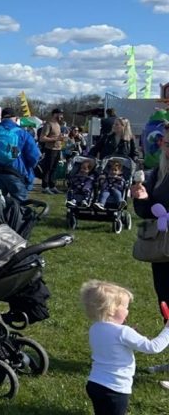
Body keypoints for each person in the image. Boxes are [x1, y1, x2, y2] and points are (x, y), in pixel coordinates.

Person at [81, 280, 169, 415]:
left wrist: (131, 334)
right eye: (126, 307)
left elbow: (113, 342)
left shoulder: (95, 328)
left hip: (95, 384)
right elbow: (153, 347)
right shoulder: (123, 332)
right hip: (115, 389)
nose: (128, 311)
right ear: (111, 310)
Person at [133, 134, 169, 315]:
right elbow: (147, 211)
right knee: (165, 298)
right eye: (168, 144)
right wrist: (142, 198)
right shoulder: (158, 173)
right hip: (163, 247)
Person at [38, 108, 68, 194]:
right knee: (48, 169)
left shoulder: (58, 125)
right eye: (60, 114)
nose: (62, 116)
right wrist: (56, 138)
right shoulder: (48, 124)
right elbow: (42, 138)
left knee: (54, 169)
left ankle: (52, 186)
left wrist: (62, 138)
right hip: (50, 150)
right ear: (55, 114)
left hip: (58, 149)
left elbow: (57, 137)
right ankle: (45, 187)